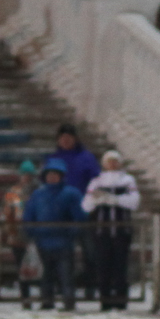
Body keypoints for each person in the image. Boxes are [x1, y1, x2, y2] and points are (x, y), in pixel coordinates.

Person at [23, 159, 87, 311]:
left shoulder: (71, 194)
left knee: (66, 275)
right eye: (49, 174)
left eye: (55, 174)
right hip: (43, 242)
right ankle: (47, 301)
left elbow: (80, 217)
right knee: (45, 276)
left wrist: (71, 233)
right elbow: (29, 216)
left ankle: (68, 302)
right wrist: (32, 232)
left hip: (63, 243)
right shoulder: (38, 195)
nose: (52, 178)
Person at [82, 150, 140, 311]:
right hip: (102, 232)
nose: (112, 164)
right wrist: (98, 199)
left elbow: (134, 202)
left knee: (120, 267)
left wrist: (114, 200)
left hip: (122, 231)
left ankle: (121, 300)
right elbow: (86, 205)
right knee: (103, 267)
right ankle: (105, 300)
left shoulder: (127, 180)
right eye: (109, 161)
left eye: (115, 161)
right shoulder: (96, 181)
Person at [51, 124, 101, 299]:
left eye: (69, 137)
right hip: (61, 215)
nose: (65, 140)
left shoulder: (86, 158)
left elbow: (96, 183)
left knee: (90, 253)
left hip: (84, 213)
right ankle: (64, 287)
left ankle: (90, 287)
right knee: (63, 253)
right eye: (62, 137)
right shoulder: (54, 159)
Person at [1, 160, 38, 307]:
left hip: (35, 234)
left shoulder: (38, 191)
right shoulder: (13, 193)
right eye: (24, 174)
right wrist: (10, 229)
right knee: (21, 267)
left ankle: (44, 296)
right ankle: (25, 297)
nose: (27, 177)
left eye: (29, 175)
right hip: (18, 234)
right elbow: (7, 212)